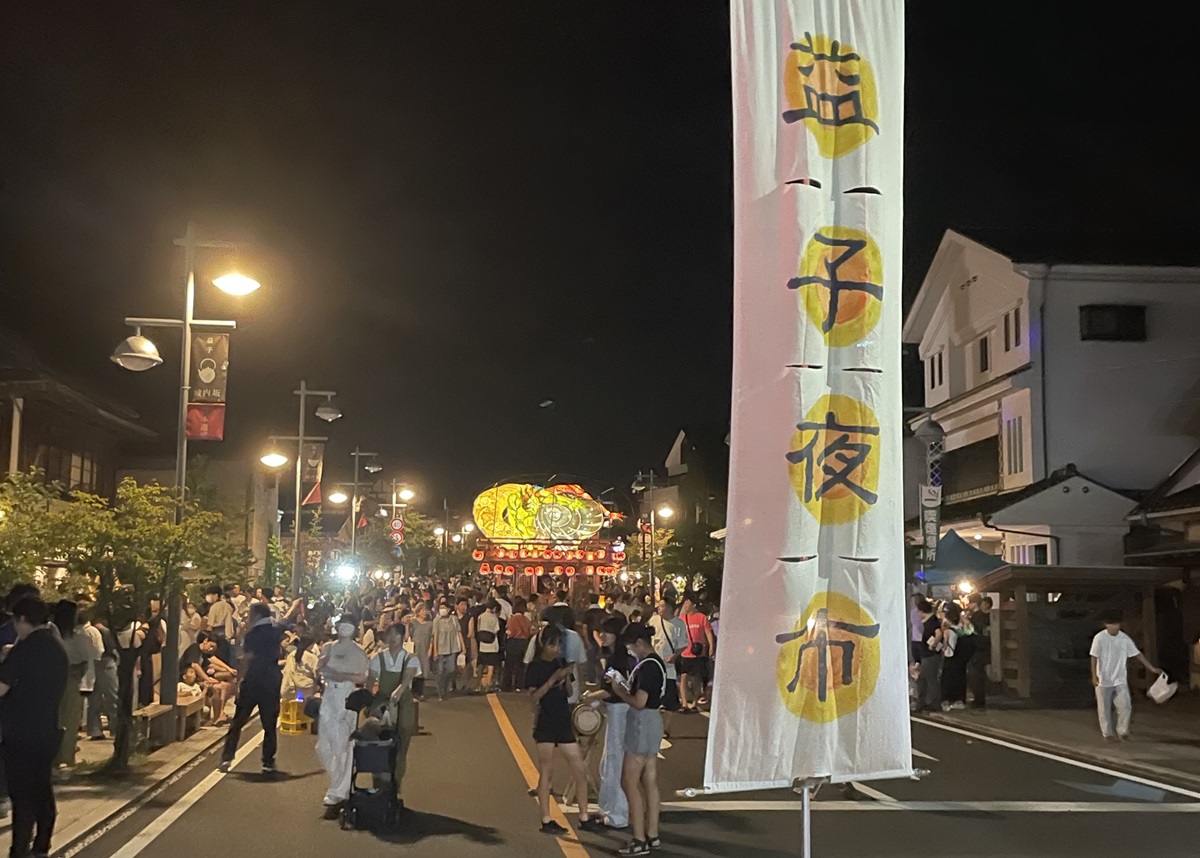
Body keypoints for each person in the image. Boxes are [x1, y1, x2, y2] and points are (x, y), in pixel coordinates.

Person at [0, 597, 68, 858]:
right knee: (41, 787)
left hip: (20, 731)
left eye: (15, 621)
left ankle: (19, 850)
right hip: (48, 729)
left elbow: (2, 687)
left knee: (22, 795)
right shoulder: (57, 647)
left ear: (22, 619)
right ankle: (42, 843)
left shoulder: (24, 649)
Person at [526, 624, 604, 836]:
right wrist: (553, 679)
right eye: (553, 644)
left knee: (579, 768)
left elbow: (569, 691)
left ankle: (584, 817)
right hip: (545, 722)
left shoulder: (560, 662)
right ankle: (546, 819)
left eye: (559, 644)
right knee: (547, 772)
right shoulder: (535, 667)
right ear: (543, 644)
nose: (557, 649)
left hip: (563, 719)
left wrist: (567, 678)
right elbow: (533, 698)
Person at [609, 623, 667, 856]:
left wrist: (619, 690)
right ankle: (652, 834)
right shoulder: (656, 663)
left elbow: (639, 701)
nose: (630, 651)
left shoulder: (647, 667)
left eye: (631, 647)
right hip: (653, 722)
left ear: (640, 644)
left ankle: (639, 839)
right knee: (649, 780)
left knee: (629, 782)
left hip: (642, 724)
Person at [220, 603, 286, 774]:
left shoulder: (252, 634)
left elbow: (247, 658)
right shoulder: (275, 631)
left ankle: (227, 757)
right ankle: (268, 761)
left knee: (238, 721)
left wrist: (238, 681)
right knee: (269, 724)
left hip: (253, 680)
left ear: (256, 615)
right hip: (271, 680)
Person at [317, 617, 370, 817]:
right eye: (341, 624)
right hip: (329, 694)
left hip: (347, 696)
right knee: (324, 745)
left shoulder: (358, 651)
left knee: (343, 745)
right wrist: (322, 666)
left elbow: (364, 676)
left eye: (348, 625)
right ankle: (337, 783)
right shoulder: (329, 647)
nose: (344, 628)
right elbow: (319, 670)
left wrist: (342, 676)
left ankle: (338, 790)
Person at [367, 622, 421, 808]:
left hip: (403, 702)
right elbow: (370, 680)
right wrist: (370, 700)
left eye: (396, 634)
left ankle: (396, 785)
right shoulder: (378, 657)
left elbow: (408, 676)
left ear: (402, 637)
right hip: (382, 702)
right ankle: (378, 784)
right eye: (389, 634)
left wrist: (400, 689)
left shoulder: (410, 658)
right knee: (377, 742)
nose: (392, 638)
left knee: (402, 741)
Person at [1091, 609, 1161, 740]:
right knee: (1104, 708)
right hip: (1103, 679)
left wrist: (1151, 668)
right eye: (1111, 624)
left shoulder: (1124, 639)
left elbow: (1137, 654)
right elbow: (1094, 657)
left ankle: (1123, 731)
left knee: (1125, 706)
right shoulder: (1099, 638)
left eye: (1116, 624)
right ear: (1106, 625)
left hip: (1120, 678)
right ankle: (1107, 733)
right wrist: (1094, 675)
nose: (1114, 627)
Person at [596, 616, 633, 830]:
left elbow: (614, 690)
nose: (602, 635)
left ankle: (617, 814)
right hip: (617, 711)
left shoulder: (618, 660)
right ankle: (608, 809)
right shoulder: (617, 657)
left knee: (614, 762)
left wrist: (590, 697)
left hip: (620, 711)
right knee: (608, 762)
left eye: (607, 631)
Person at [53, 600, 99, 773]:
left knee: (55, 719)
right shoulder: (78, 637)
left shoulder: (50, 635)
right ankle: (66, 757)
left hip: (52, 682)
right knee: (70, 720)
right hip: (71, 681)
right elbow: (84, 662)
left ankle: (55, 757)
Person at [650, 598, 687, 737]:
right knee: (652, 698)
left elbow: (683, 644)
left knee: (670, 700)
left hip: (669, 668)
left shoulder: (678, 624)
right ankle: (654, 726)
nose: (659, 608)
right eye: (658, 606)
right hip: (654, 665)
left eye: (662, 606)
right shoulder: (653, 621)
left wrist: (674, 656)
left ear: (670, 608)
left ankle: (665, 728)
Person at [677, 597, 714, 713]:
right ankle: (684, 703)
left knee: (697, 679)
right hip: (685, 652)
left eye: (687, 603)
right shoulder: (681, 618)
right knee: (684, 676)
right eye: (684, 603)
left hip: (698, 653)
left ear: (693, 605)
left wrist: (711, 647)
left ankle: (694, 703)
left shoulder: (701, 617)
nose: (685, 605)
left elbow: (708, 632)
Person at [86, 615, 119, 740]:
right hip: (106, 662)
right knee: (112, 696)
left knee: (94, 698)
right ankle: (116, 729)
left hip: (91, 664)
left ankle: (94, 730)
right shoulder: (103, 631)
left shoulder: (84, 630)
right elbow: (111, 648)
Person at [938, 603, 972, 711]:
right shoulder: (961, 629)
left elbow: (945, 646)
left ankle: (947, 701)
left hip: (950, 657)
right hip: (961, 658)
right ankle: (959, 700)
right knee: (960, 679)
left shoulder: (948, 631)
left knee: (947, 680)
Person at [431, 603, 464, 701]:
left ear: (449, 609)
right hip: (440, 649)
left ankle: (445, 687)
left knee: (451, 670)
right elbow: (435, 636)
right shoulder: (436, 620)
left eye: (444, 608)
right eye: (440, 608)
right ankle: (440, 692)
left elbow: (459, 632)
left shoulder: (454, 619)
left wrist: (463, 646)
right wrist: (435, 651)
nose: (442, 610)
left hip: (452, 647)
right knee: (440, 671)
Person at [913, 599, 941, 713]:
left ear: (922, 611)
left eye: (918, 611)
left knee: (929, 679)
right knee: (923, 679)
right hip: (925, 655)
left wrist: (933, 645)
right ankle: (922, 703)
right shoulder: (926, 622)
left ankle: (933, 703)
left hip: (930, 655)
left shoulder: (932, 621)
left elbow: (938, 633)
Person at [967, 595, 992, 710]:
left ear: (975, 603)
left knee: (976, 676)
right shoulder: (982, 616)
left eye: (970, 603)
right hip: (982, 649)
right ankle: (979, 699)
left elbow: (975, 633)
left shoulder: (977, 617)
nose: (969, 605)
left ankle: (979, 700)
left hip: (977, 649)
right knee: (979, 675)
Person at [502, 598, 531, 692]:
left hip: (513, 642)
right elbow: (529, 631)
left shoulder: (512, 619)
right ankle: (519, 685)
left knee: (509, 665)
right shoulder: (526, 620)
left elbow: (509, 632)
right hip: (523, 643)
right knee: (520, 665)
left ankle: (507, 685)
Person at [408, 604, 434, 702]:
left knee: (423, 669)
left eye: (426, 610)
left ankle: (420, 692)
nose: (425, 612)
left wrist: (430, 648)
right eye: (422, 610)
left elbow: (431, 637)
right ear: (418, 611)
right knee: (414, 669)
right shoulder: (413, 622)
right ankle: (413, 692)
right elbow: (409, 635)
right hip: (414, 648)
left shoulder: (430, 624)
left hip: (424, 648)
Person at [281, 635, 320, 701]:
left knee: (296, 704)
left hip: (293, 687)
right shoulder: (311, 657)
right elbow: (317, 673)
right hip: (306, 689)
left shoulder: (292, 654)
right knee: (304, 705)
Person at [476, 600, 502, 693]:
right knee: (491, 666)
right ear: (494, 608)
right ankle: (488, 685)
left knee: (481, 665)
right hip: (492, 646)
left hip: (482, 645)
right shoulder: (494, 617)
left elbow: (478, 629)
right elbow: (496, 630)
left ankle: (478, 685)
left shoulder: (480, 616)